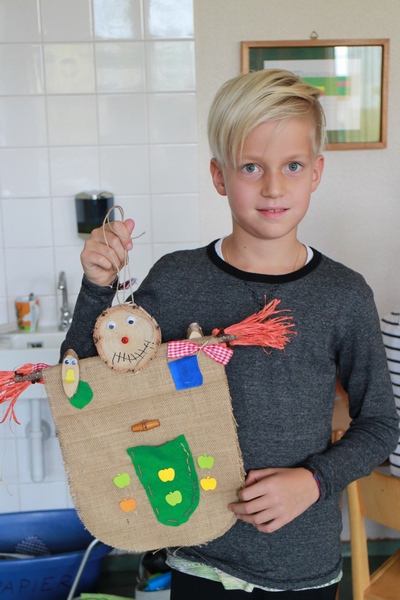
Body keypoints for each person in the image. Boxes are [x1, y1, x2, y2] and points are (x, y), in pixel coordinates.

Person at [61, 69, 398, 599]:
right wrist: (96, 289)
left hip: (301, 569)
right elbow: (81, 382)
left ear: (316, 172)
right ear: (219, 176)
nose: (273, 186)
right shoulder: (177, 279)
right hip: (197, 556)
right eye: (250, 167)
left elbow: (380, 424)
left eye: (292, 166)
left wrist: (313, 481)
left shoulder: (344, 294)